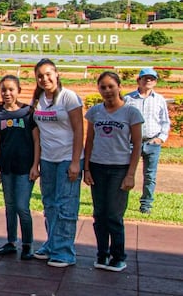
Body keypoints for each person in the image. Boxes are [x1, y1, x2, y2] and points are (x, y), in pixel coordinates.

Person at [84, 72, 143, 272]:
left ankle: (118, 256)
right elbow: (89, 140)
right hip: (98, 167)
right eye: (103, 87)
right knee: (99, 214)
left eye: (111, 86)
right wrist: (87, 169)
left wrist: (131, 174)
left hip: (119, 168)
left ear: (119, 86)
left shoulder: (131, 113)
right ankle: (102, 254)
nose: (107, 91)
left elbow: (136, 146)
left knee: (114, 215)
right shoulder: (95, 112)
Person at [31, 58, 84, 268]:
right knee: (50, 205)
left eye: (48, 74)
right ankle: (52, 243)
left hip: (67, 159)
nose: (45, 79)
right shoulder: (39, 99)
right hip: (48, 160)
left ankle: (65, 252)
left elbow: (79, 130)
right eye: (40, 76)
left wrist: (75, 162)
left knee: (66, 205)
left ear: (57, 74)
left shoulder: (68, 97)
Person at [0, 75, 40, 260]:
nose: (7, 93)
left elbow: (36, 140)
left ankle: (27, 244)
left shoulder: (28, 112)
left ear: (19, 90)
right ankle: (11, 242)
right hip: (7, 167)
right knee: (10, 206)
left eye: (11, 89)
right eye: (4, 90)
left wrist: (36, 165)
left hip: (25, 168)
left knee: (21, 207)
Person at [124, 67, 170, 214]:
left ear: (155, 81)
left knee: (150, 176)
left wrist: (161, 138)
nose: (148, 80)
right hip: (131, 143)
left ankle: (146, 205)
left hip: (151, 142)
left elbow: (165, 121)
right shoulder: (128, 99)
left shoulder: (160, 100)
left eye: (152, 78)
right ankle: (121, 203)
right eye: (145, 78)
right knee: (126, 173)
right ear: (139, 80)